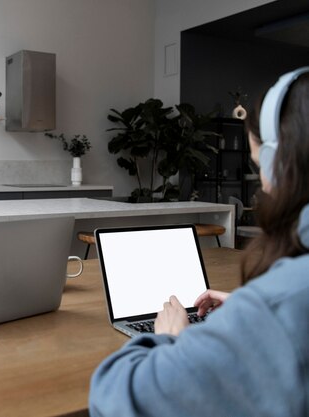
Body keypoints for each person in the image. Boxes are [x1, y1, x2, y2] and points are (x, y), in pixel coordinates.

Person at [89, 68, 309, 417]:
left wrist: (169, 339)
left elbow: (113, 397)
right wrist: (249, 310)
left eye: (259, 165)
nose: (262, 187)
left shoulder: (277, 307)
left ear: (281, 165)